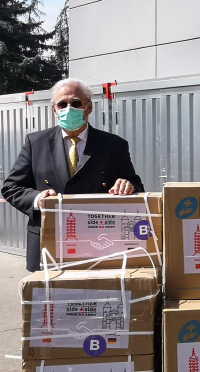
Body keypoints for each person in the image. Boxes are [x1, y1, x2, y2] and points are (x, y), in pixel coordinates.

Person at [1, 78, 144, 272]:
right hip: (47, 240)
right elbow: (11, 188)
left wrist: (127, 185)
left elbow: (136, 186)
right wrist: (37, 198)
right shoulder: (36, 142)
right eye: (62, 104)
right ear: (54, 109)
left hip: (99, 243)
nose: (69, 108)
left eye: (76, 103)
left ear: (89, 107)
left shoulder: (114, 145)